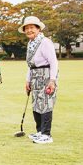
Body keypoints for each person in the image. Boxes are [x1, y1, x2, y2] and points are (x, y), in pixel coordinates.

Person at [19, 16, 58, 144]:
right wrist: (27, 80)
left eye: (32, 28)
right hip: (34, 76)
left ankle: (47, 134)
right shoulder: (31, 43)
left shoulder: (45, 42)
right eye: (27, 28)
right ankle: (40, 131)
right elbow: (30, 65)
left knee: (46, 104)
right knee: (36, 104)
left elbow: (53, 62)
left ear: (38, 28)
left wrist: (52, 80)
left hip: (46, 75)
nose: (29, 30)